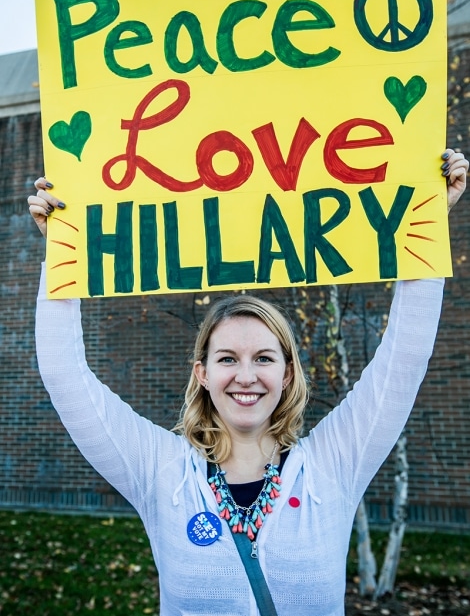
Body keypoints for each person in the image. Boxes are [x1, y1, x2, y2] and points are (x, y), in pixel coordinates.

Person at [28, 149, 468, 616]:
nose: (245, 376)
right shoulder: (160, 471)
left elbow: (403, 360)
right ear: (202, 374)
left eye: (263, 357)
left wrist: (428, 225)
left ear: (287, 373)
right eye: (226, 359)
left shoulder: (334, 464)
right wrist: (62, 252)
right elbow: (63, 373)